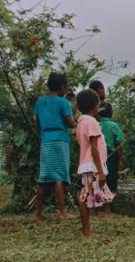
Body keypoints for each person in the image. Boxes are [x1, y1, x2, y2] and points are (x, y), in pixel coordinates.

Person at [33, 73, 76, 221]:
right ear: (61, 87)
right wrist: (76, 120)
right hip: (60, 141)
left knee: (44, 177)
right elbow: (70, 123)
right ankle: (62, 211)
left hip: (46, 141)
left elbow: (37, 123)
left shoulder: (40, 102)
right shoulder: (63, 102)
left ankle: (38, 213)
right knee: (60, 176)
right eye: (66, 86)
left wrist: (43, 136)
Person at [75, 89, 114, 237]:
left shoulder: (82, 122)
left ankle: (87, 228)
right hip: (92, 166)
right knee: (85, 197)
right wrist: (100, 171)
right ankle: (86, 231)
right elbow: (94, 149)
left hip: (89, 165)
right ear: (95, 106)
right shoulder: (91, 122)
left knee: (87, 195)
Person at [98, 102, 125, 197]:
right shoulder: (113, 125)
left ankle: (100, 204)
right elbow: (119, 142)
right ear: (110, 113)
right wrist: (120, 159)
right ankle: (109, 206)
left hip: (97, 156)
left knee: (100, 179)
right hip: (111, 156)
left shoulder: (96, 124)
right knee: (111, 179)